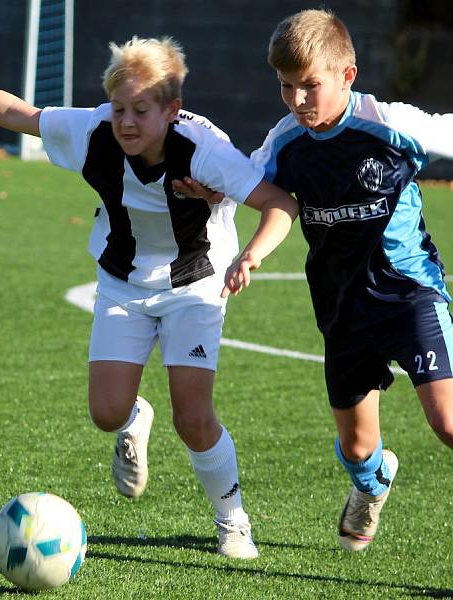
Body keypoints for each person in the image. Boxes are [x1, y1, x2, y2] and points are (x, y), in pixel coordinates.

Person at [0, 34, 296, 559]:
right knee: (107, 412)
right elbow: (16, 112)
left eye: (141, 110)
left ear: (172, 109)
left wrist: (252, 255)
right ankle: (134, 418)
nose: (127, 122)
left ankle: (232, 521)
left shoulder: (205, 149)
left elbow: (279, 203)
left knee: (193, 418)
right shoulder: (94, 130)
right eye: (119, 108)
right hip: (122, 283)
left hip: (194, 286)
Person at [180, 8, 453, 552]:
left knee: (448, 423)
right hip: (341, 310)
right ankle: (373, 484)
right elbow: (248, 179)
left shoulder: (391, 122)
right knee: (357, 449)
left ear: (346, 76)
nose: (297, 100)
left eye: (310, 86)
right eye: (286, 87)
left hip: (410, 295)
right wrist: (214, 191)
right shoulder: (286, 142)